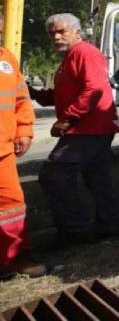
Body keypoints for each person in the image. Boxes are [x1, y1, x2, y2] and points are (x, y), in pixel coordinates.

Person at [28, 13, 119, 246]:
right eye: (52, 33)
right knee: (97, 177)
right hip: (92, 128)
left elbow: (94, 90)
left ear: (77, 32)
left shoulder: (84, 52)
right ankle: (111, 225)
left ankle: (75, 231)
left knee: (54, 176)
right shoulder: (71, 57)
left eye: (62, 31)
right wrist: (35, 94)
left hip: (88, 128)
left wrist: (66, 120)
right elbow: (64, 93)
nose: (56, 36)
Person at [0, 15, 45, 279]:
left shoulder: (7, 59)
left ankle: (13, 260)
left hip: (3, 152)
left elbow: (21, 100)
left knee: (12, 206)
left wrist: (25, 131)